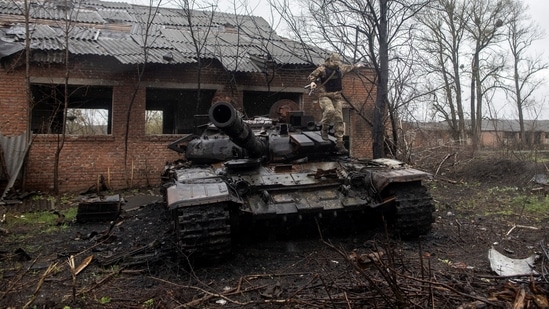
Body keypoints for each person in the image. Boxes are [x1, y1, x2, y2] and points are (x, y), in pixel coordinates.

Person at [308, 53, 363, 155]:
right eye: (335, 63)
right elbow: (312, 76)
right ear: (331, 61)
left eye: (338, 63)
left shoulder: (340, 68)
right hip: (324, 95)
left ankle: (340, 143)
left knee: (339, 118)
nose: (337, 65)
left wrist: (357, 66)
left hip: (336, 96)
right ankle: (324, 129)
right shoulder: (322, 69)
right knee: (330, 110)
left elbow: (349, 67)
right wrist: (313, 82)